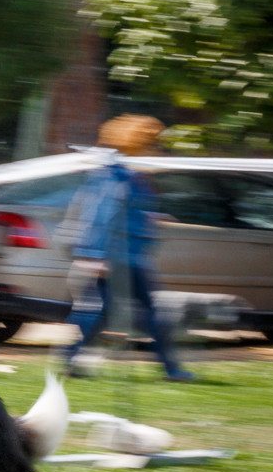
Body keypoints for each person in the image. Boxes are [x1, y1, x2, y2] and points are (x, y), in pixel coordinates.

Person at [61, 114, 195, 382]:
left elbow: (124, 210)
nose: (158, 149)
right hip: (117, 256)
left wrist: (149, 218)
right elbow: (101, 214)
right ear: (137, 143)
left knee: (107, 310)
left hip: (128, 254)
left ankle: (72, 358)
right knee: (143, 311)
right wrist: (96, 256)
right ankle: (172, 369)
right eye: (153, 142)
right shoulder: (116, 174)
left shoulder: (128, 172)